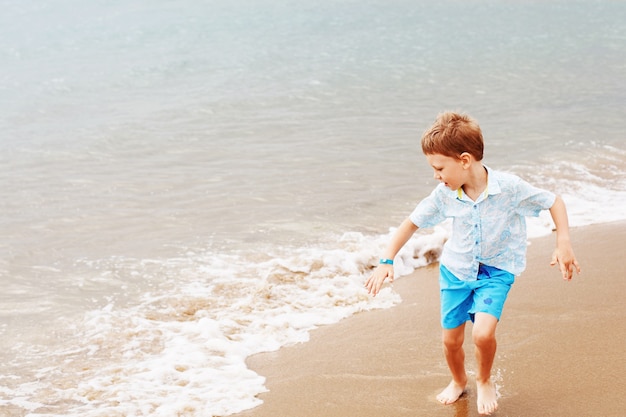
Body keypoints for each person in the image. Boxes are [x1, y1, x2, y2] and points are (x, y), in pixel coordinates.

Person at [365, 111, 580, 416]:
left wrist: (563, 242)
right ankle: (458, 380)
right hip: (456, 272)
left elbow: (553, 201)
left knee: (482, 334)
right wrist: (387, 260)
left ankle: (485, 379)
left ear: (464, 160)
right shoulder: (444, 195)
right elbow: (411, 223)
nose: (436, 176)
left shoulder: (510, 188)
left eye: (439, 168)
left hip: (496, 271)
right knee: (451, 341)